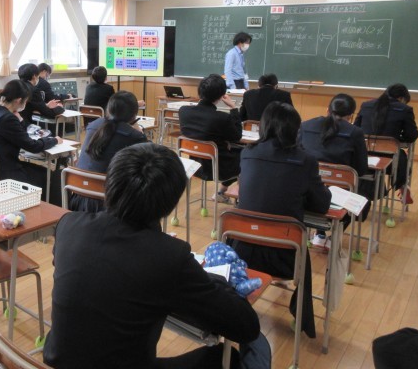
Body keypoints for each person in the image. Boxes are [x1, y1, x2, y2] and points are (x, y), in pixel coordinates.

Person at [43, 143, 266, 369]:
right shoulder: (169, 256)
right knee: (229, 358)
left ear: (108, 185)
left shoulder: (69, 225)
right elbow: (246, 327)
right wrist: (220, 283)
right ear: (170, 204)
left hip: (58, 362)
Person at [233, 101, 331, 339]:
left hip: (242, 250)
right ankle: (301, 316)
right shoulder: (305, 161)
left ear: (263, 125)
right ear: (295, 130)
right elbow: (321, 205)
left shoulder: (248, 153)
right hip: (286, 258)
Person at [298, 93, 372, 247]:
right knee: (362, 194)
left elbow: (298, 154)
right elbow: (361, 169)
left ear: (328, 110)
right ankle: (335, 235)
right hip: (341, 187)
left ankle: (320, 233)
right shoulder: (355, 132)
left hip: (308, 188)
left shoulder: (306, 125)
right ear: (350, 116)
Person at [0, 80, 61, 187]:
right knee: (53, 177)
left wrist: (20, 120)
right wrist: (54, 140)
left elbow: (19, 135)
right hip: (4, 175)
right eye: (25, 101)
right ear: (19, 100)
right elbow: (33, 146)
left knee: (38, 171)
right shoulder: (7, 118)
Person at [73, 91, 147, 212]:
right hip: (110, 204)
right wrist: (138, 130)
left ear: (108, 109)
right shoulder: (134, 136)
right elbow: (149, 158)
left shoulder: (93, 125)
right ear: (134, 115)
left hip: (79, 197)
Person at [179, 74, 243, 199]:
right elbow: (237, 137)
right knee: (247, 157)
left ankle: (221, 193)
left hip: (195, 166)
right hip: (219, 169)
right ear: (221, 95)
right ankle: (238, 199)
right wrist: (233, 108)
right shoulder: (222, 118)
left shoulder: (184, 111)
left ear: (199, 92)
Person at [354, 83, 418, 202]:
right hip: (389, 162)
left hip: (363, 157)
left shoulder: (366, 105)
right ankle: (402, 185)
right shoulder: (405, 109)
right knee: (401, 156)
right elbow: (411, 135)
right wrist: (397, 139)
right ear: (401, 98)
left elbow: (356, 129)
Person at [17, 63, 64, 130]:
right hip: (25, 126)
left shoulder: (15, 85)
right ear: (34, 76)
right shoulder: (33, 90)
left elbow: (33, 105)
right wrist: (59, 107)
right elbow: (48, 113)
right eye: (38, 76)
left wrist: (46, 105)